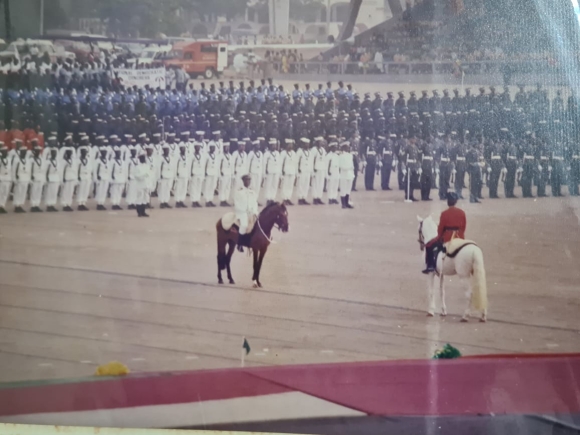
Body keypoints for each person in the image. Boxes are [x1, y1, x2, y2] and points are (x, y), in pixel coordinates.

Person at [423, 192, 466, 274]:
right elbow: (463, 227)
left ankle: (430, 266)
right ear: (455, 201)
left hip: (448, 237)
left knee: (429, 245)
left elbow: (441, 228)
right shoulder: (462, 212)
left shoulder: (444, 213)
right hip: (459, 236)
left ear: (448, 202)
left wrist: (439, 237)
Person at [234, 174, 258, 252]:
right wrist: (244, 210)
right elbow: (237, 204)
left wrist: (254, 212)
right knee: (244, 225)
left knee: (256, 225)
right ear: (243, 181)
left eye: (249, 180)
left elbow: (255, 203)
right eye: (246, 180)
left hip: (251, 213)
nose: (248, 182)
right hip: (242, 213)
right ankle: (239, 244)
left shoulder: (252, 192)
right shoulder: (239, 192)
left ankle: (251, 242)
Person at [135, 151, 151, 217]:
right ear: (140, 159)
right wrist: (144, 175)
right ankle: (139, 212)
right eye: (142, 158)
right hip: (140, 184)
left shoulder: (147, 166)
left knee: (145, 198)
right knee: (140, 198)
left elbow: (150, 175)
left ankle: (143, 211)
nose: (144, 159)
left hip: (146, 184)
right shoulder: (137, 167)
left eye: (144, 158)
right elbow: (137, 176)